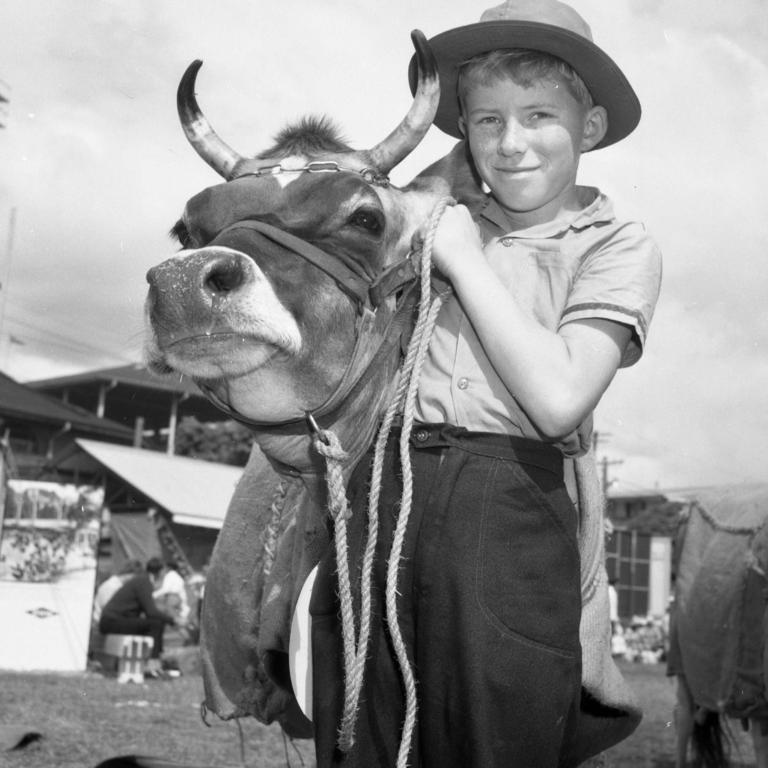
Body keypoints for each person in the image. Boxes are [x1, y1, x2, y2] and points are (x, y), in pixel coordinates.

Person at [309, 2, 662, 767]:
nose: (511, 142)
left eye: (539, 115)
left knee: (496, 735)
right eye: (486, 120)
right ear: (464, 132)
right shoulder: (422, 227)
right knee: (361, 732)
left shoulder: (616, 244)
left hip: (510, 507)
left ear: (591, 127)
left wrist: (463, 257)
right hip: (385, 489)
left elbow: (560, 398)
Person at [99, 556, 176, 676]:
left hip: (111, 621)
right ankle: (152, 665)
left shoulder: (141, 580)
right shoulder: (144, 582)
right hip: (112, 622)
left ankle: (151, 662)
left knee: (153, 623)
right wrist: (173, 620)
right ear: (161, 571)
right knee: (155, 624)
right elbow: (151, 611)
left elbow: (148, 611)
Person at [91, 559, 143, 626]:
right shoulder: (112, 586)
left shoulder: (119, 585)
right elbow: (109, 610)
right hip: (99, 624)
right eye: (136, 578)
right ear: (130, 574)